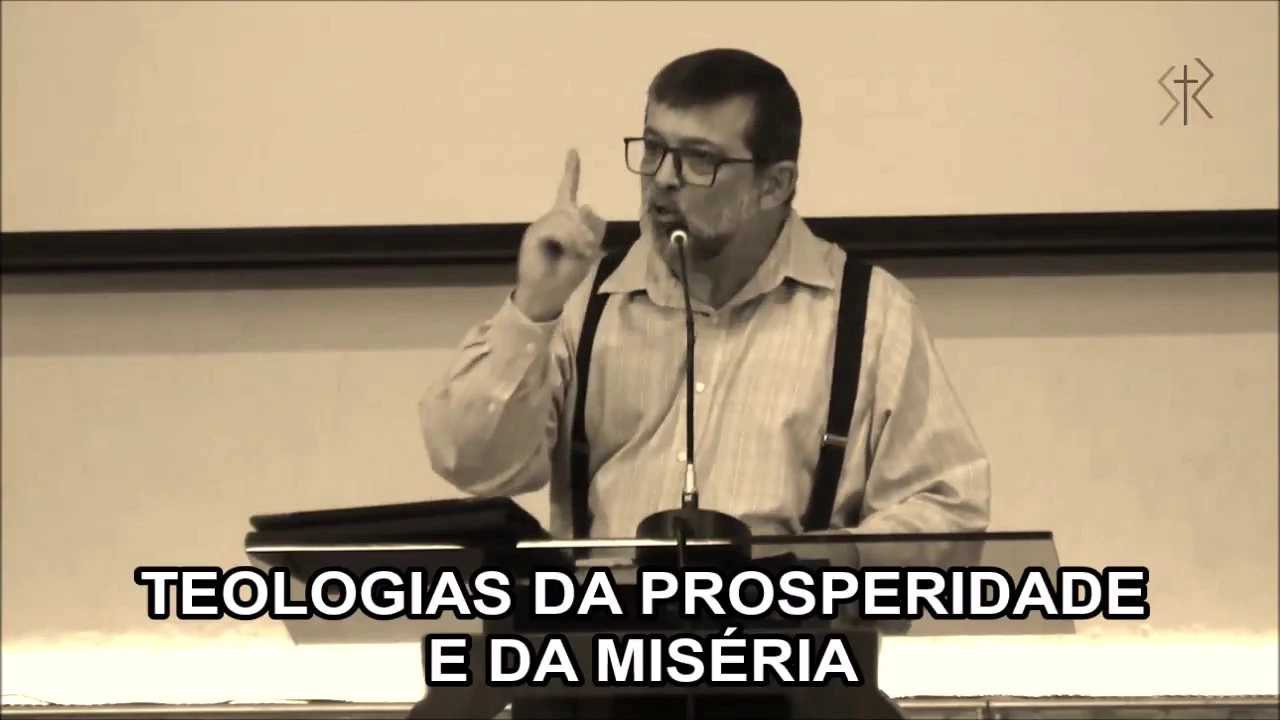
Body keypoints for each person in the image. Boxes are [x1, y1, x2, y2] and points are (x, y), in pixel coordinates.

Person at [419, 48, 990, 569]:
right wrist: (532, 308)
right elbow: (470, 463)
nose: (663, 179)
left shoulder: (871, 315)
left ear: (775, 185)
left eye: (699, 159)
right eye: (653, 149)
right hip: (605, 639)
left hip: (790, 639)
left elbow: (950, 509)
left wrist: (828, 565)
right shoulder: (585, 304)